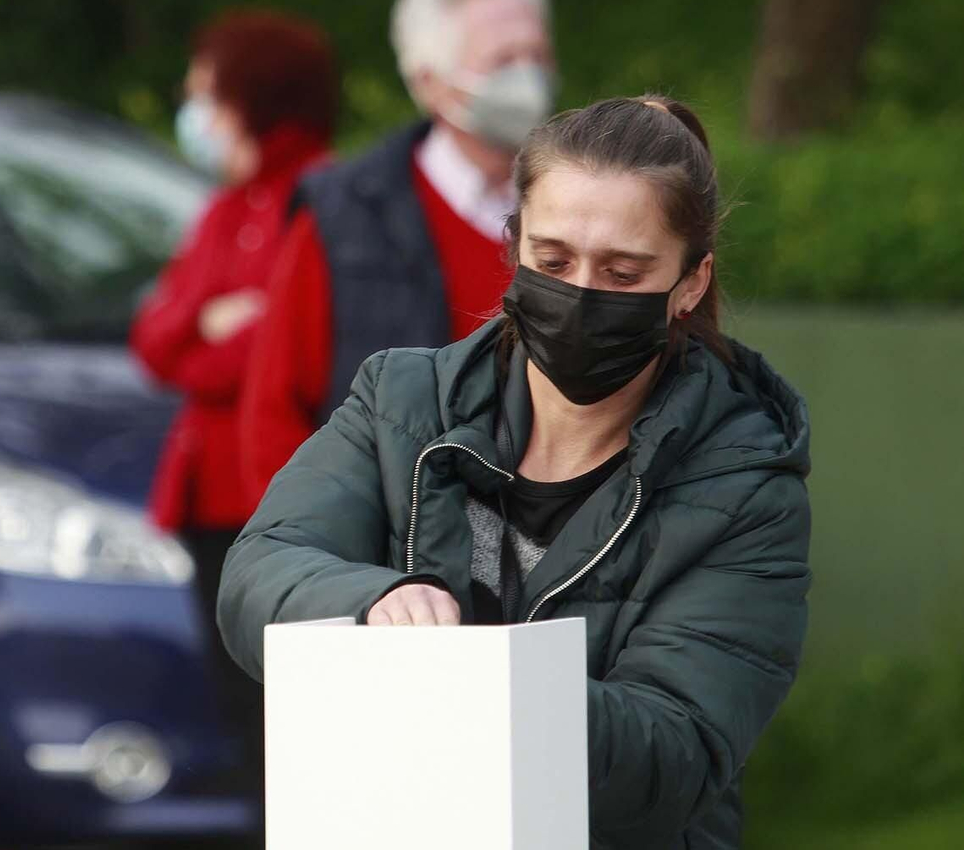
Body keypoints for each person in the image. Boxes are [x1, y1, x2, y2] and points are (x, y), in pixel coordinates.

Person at [218, 96, 811, 849]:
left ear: (690, 284)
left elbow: (677, 752)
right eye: (554, 260)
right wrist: (375, 599)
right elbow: (258, 572)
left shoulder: (746, 486)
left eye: (623, 273)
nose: (581, 294)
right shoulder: (402, 400)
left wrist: (480, 685)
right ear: (514, 243)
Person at [239, 0, 556, 504]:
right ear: (430, 82)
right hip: (388, 557)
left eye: (537, 54)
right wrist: (328, 564)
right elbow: (274, 415)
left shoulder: (579, 203)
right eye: (503, 60)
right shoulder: (344, 215)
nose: (528, 76)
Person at [130, 10, 335, 796]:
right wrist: (210, 321)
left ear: (253, 97)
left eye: (205, 95)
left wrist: (216, 331)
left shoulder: (321, 197)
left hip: (282, 498)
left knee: (294, 723)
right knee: (244, 719)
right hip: (207, 500)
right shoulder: (224, 207)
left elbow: (276, 352)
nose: (195, 114)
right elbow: (156, 341)